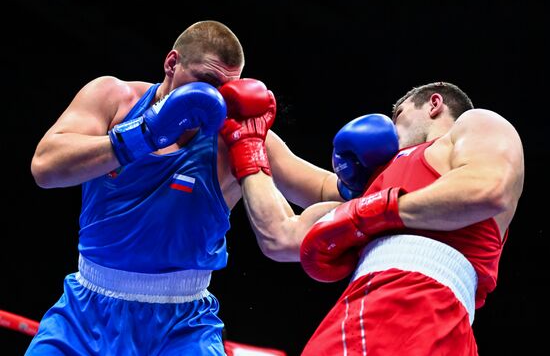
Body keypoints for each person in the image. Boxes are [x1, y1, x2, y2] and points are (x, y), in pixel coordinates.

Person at [28, 20, 343, 355]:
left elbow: (323, 188)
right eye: (205, 82)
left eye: (225, 90)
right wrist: (142, 135)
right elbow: (45, 168)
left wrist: (378, 173)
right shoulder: (114, 99)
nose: (212, 100)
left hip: (182, 326)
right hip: (85, 313)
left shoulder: (232, 137)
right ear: (171, 63)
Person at [230, 81, 524, 355]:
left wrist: (375, 212)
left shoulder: (475, 126)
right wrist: (247, 139)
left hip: (418, 306)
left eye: (398, 116)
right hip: (368, 307)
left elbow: (488, 189)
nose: (392, 132)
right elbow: (279, 236)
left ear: (434, 104)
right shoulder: (376, 186)